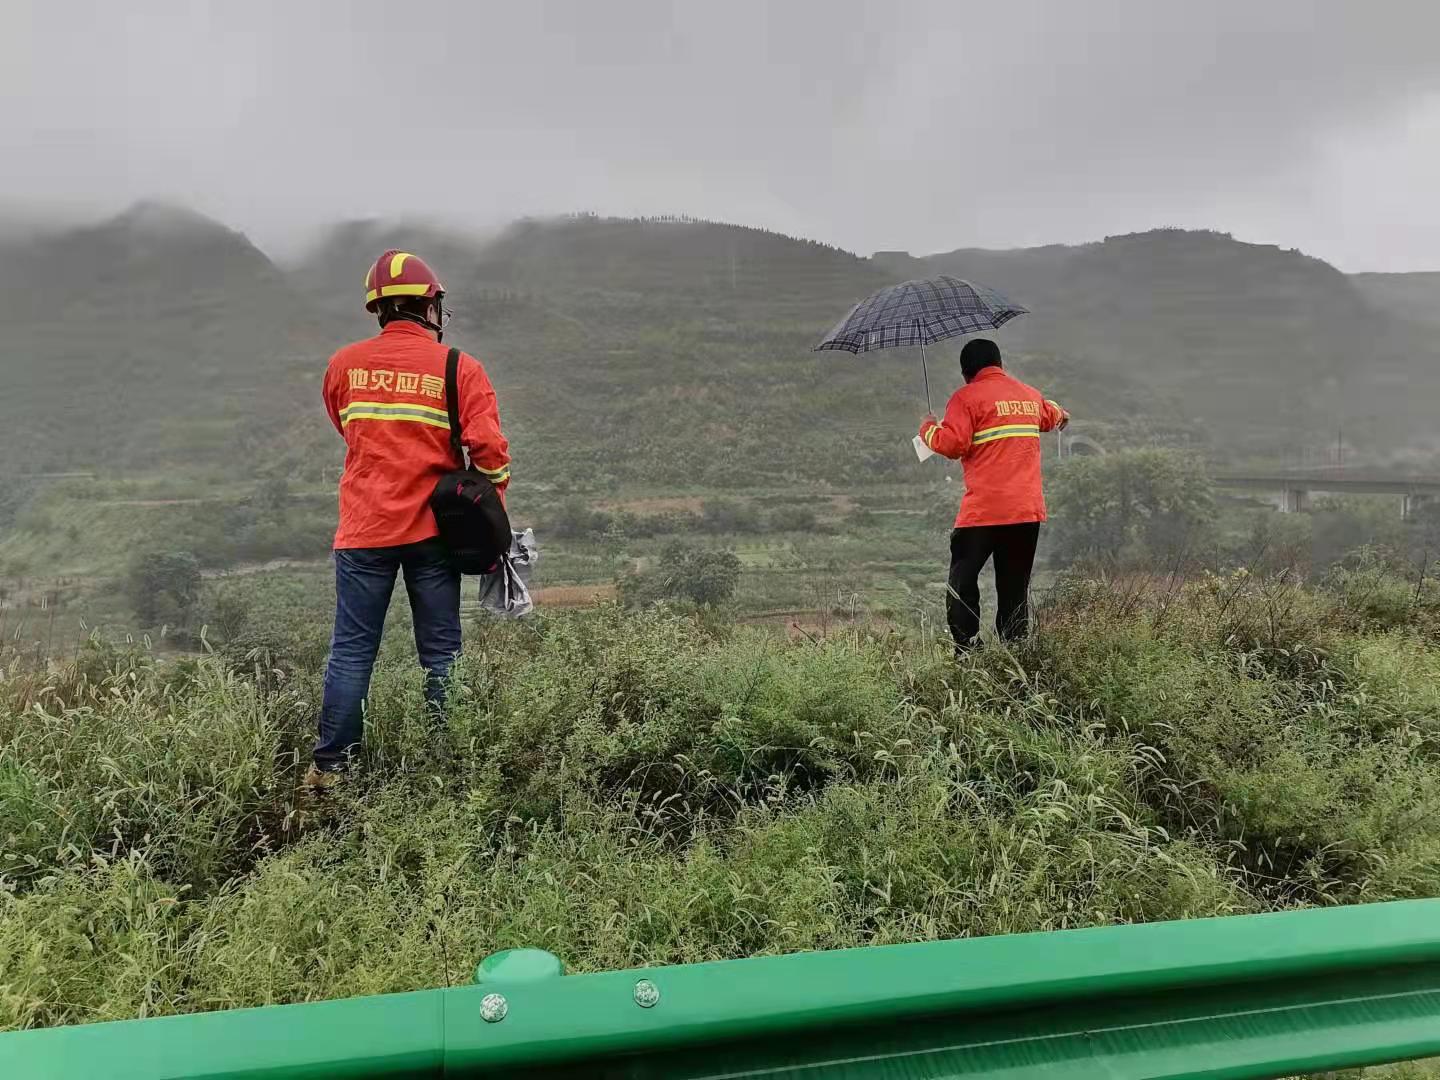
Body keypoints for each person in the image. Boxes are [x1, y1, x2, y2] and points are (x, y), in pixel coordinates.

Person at [303, 250, 511, 790]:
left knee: (352, 651)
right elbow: (490, 453)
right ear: (430, 307)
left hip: (363, 532)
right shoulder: (459, 368)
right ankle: (448, 764)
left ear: (379, 309)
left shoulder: (344, 365)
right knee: (441, 653)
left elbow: (348, 430)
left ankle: (330, 770)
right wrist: (490, 506)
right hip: (434, 535)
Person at [918, 338, 1068, 654]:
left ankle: (969, 649)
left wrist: (928, 429)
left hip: (983, 513)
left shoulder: (965, 398)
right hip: (1025, 513)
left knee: (961, 582)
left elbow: (953, 444)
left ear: (966, 372)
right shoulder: (1029, 395)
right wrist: (1060, 413)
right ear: (999, 364)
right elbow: (1052, 415)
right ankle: (1015, 653)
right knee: (1014, 588)